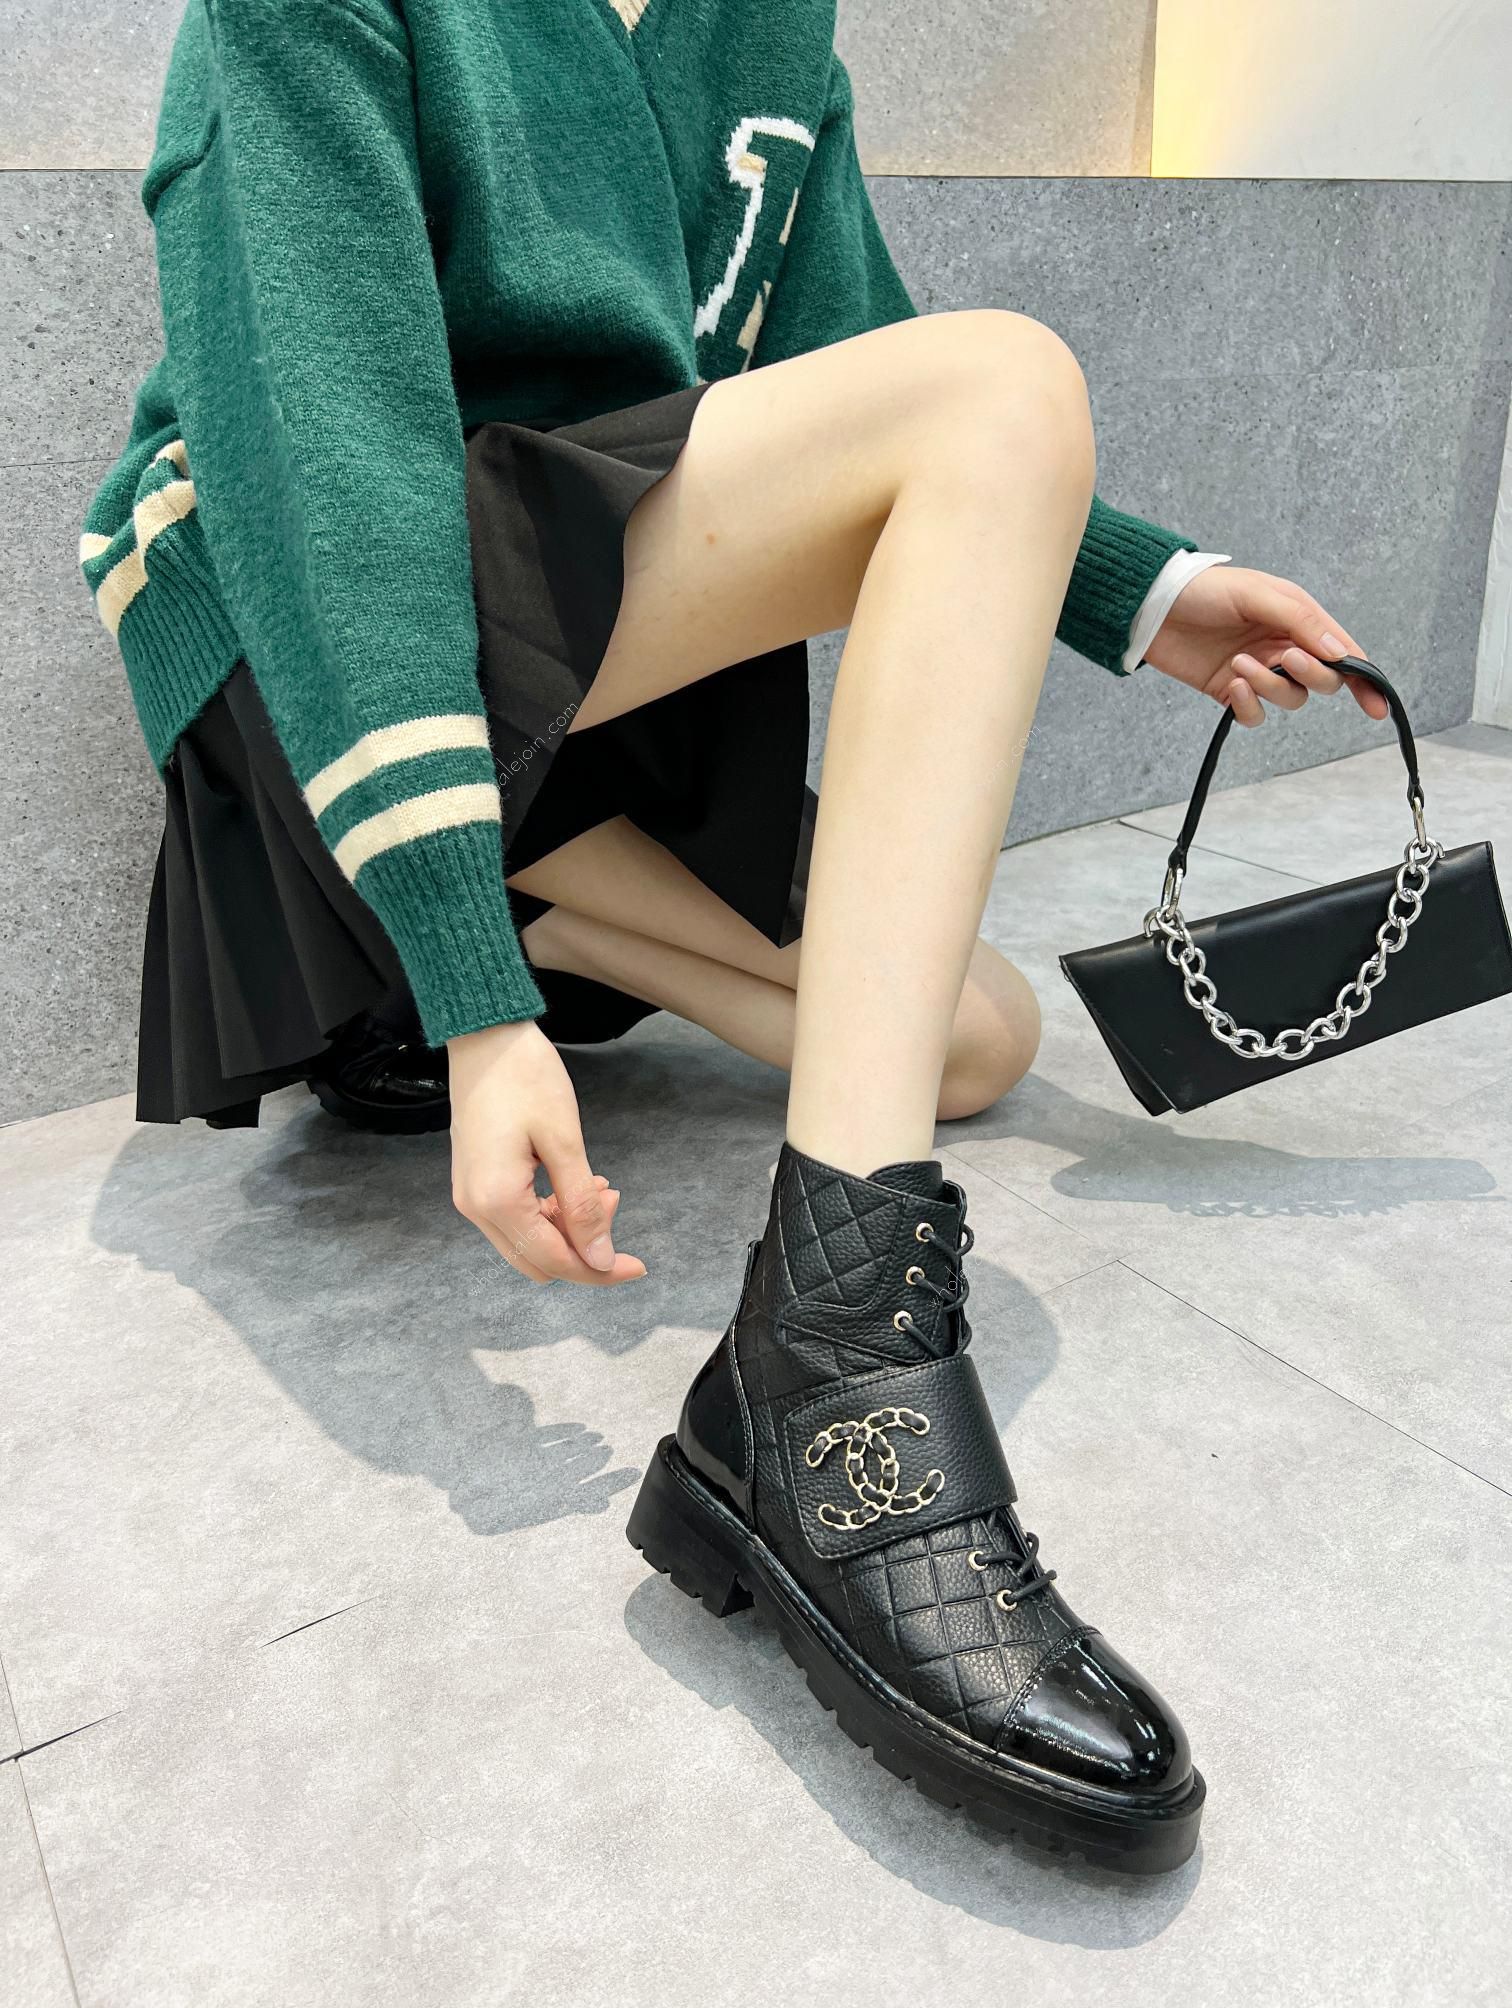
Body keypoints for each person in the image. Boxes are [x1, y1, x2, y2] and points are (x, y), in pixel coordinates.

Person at [80, 0, 1380, 1871]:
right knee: (1002, 378)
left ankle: (450, 914)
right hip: (302, 637)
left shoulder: (765, 21)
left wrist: (1146, 593)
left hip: (575, 624)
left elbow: (852, 357)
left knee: (972, 1039)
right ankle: (828, 1360)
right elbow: (327, 465)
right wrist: (481, 1012)